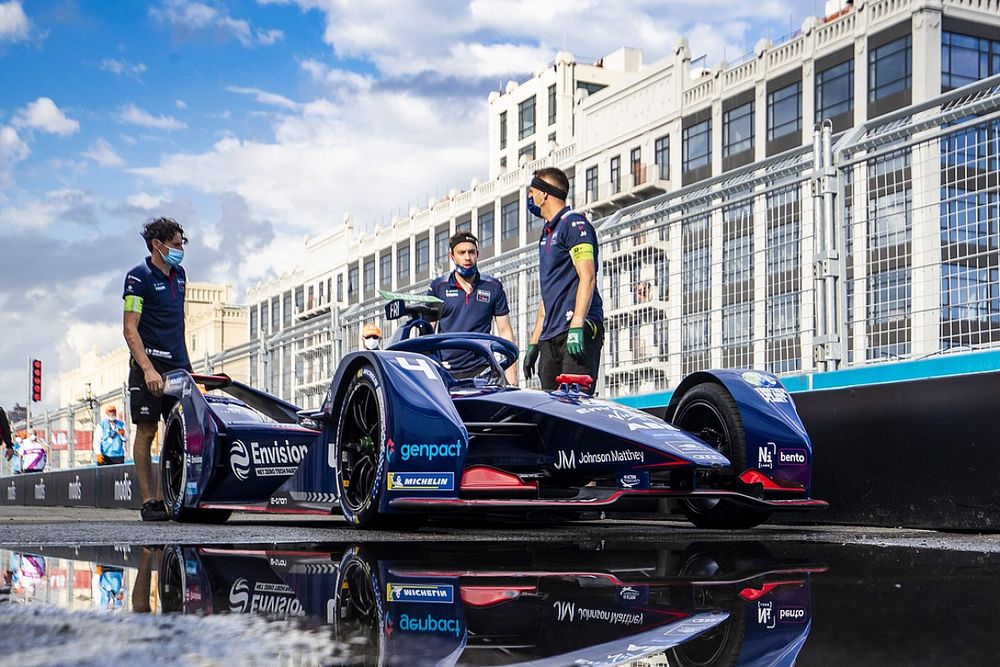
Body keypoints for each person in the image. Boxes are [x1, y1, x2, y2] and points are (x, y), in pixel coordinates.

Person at [122, 217, 191, 521]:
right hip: (147, 365)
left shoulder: (181, 276)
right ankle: (150, 501)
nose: (180, 250)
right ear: (157, 245)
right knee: (147, 430)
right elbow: (130, 329)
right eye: (176, 245)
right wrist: (148, 369)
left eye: (181, 245)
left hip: (178, 367)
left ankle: (170, 498)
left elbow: (178, 323)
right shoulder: (138, 278)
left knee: (179, 433)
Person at [522, 168, 605, 394]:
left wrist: (577, 324)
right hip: (550, 336)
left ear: (545, 194)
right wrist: (533, 343)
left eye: (532, 192)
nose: (530, 199)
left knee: (575, 408)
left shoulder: (575, 224)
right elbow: (547, 293)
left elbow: (588, 276)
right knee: (551, 412)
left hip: (576, 330)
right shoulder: (547, 233)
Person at [427, 231, 517, 383]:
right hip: (447, 372)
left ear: (477, 254)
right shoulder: (438, 287)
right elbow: (427, 332)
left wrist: (512, 375)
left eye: (471, 252)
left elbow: (505, 331)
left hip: (483, 368)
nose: (467, 257)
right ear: (452, 256)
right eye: (462, 253)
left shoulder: (493, 286)